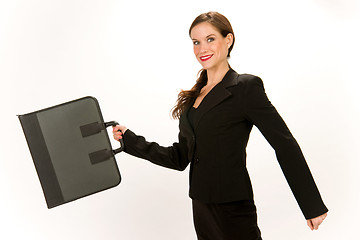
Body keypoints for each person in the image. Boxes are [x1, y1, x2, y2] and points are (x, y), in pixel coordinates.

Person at [112, 11, 328, 240]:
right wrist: (130, 141)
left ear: (228, 40)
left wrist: (312, 205)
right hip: (201, 206)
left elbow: (284, 143)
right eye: (196, 42)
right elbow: (179, 158)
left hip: (232, 207)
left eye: (210, 39)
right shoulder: (193, 98)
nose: (202, 48)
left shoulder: (245, 87)